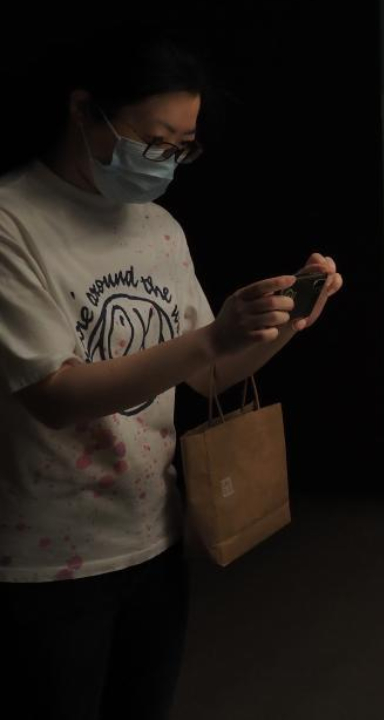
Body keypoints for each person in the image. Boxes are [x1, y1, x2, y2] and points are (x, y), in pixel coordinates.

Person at [0, 36, 344, 719]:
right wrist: (212, 336)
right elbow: (56, 397)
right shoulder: (14, 221)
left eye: (181, 146)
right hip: (45, 558)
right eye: (155, 139)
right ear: (84, 111)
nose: (164, 161)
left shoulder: (156, 225)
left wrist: (284, 323)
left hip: (154, 535)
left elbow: (208, 378)